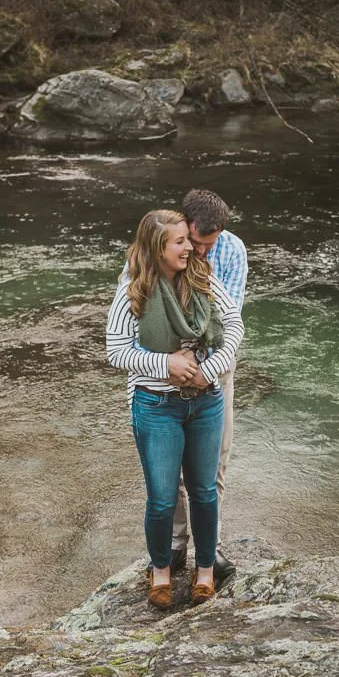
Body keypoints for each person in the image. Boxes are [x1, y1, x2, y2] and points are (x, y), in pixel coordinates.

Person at [106, 209, 243, 609]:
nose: (190, 247)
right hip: (157, 405)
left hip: (205, 402)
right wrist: (167, 364)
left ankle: (204, 572)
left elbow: (233, 325)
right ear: (157, 247)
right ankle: (161, 571)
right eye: (180, 241)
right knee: (162, 498)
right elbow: (116, 350)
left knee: (203, 491)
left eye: (188, 239)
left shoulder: (201, 276)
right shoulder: (133, 289)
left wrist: (208, 370)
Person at [171, 189, 247, 580]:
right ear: (183, 225)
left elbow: (224, 319)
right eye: (196, 244)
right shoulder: (157, 245)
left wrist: (206, 369)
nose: (201, 253)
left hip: (216, 365)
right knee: (172, 468)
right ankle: (175, 546)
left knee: (215, 461)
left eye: (208, 245)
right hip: (167, 369)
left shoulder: (231, 251)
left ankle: (208, 548)